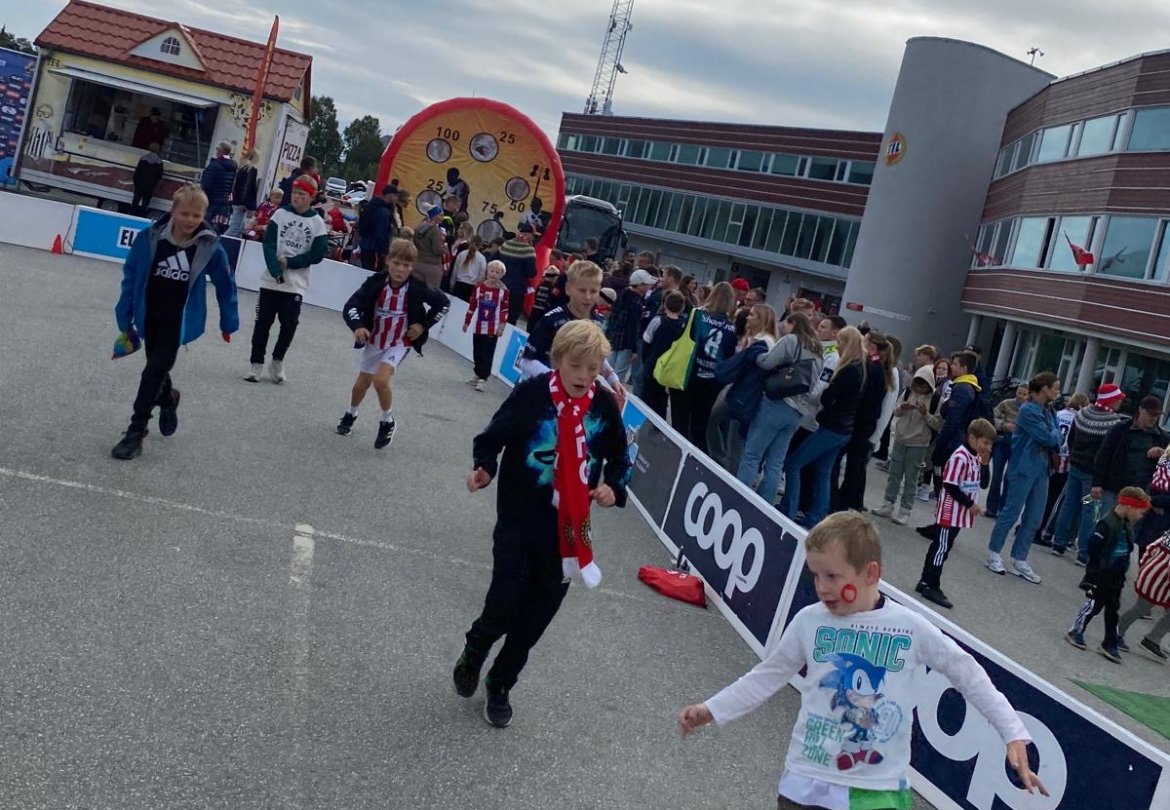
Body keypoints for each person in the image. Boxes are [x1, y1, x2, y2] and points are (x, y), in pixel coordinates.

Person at [678, 512, 1046, 809]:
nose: (822, 587)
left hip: (878, 789)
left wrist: (1012, 731)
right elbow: (768, 675)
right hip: (805, 782)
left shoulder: (909, 627)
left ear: (870, 573)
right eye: (816, 575)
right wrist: (712, 709)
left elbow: (966, 672)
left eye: (832, 576)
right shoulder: (809, 621)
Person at [454, 321, 631, 728]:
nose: (583, 376)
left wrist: (613, 486)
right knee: (503, 601)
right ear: (557, 361)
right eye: (575, 366)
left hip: (568, 529)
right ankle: (477, 646)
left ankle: (500, 683)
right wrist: (484, 468)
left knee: (537, 614)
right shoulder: (532, 394)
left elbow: (621, 459)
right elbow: (492, 437)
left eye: (592, 368)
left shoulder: (604, 406)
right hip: (519, 517)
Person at [110, 185, 239, 460]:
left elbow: (225, 284)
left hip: (176, 323)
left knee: (153, 370)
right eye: (185, 214)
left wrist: (229, 321)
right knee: (156, 369)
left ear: (204, 215)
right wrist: (125, 313)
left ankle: (136, 430)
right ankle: (168, 398)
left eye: (197, 215)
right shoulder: (150, 238)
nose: (191, 220)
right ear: (173, 211)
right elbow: (131, 275)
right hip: (149, 316)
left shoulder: (210, 247)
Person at [336, 238, 449, 447]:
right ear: (388, 261)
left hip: (400, 341)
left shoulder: (418, 287)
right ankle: (351, 413)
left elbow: (443, 304)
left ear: (412, 267)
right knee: (362, 383)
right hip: (375, 339)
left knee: (381, 380)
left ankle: (387, 421)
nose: (400, 269)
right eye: (396, 263)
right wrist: (358, 326)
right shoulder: (375, 282)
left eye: (406, 265)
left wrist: (423, 325)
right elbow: (351, 306)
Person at [779, 327, 866, 528]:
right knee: (823, 472)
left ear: (847, 344)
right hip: (844, 429)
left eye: (840, 342)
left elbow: (826, 396)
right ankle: (816, 517)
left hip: (831, 427)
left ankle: (789, 509)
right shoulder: (861, 369)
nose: (837, 345)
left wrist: (828, 393)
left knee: (794, 463)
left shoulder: (847, 370)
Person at [247, 174, 327, 383]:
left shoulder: (317, 222)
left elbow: (317, 254)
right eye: (294, 193)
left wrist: (291, 262)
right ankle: (256, 363)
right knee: (262, 323)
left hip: (295, 285)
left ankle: (277, 360)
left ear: (311, 197)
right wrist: (275, 269)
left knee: (289, 324)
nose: (296, 197)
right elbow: (269, 244)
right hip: (271, 282)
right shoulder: (280, 214)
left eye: (302, 194)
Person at [732, 311, 821, 500]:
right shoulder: (817, 349)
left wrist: (756, 355)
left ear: (793, 324)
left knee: (752, 455)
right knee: (775, 462)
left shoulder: (791, 340)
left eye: (786, 324)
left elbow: (767, 362)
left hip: (776, 403)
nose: (783, 327)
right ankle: (765, 502)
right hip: (797, 411)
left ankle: (739, 497)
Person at [985, 373, 1064, 583]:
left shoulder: (1049, 410)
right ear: (1044, 388)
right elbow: (1048, 437)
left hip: (1042, 468)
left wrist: (1054, 435)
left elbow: (1057, 437)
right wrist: (1054, 434)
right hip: (1023, 466)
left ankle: (1019, 558)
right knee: (1011, 512)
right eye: (1055, 388)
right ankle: (994, 552)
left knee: (1035, 516)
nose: (1058, 392)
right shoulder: (1028, 410)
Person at [519, 260, 627, 408]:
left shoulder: (599, 322)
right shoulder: (551, 320)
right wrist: (557, 381)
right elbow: (526, 360)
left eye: (593, 291)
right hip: (538, 394)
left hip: (572, 399)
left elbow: (597, 356)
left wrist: (613, 379)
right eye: (582, 290)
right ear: (568, 289)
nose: (588, 297)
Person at [1065, 487, 1152, 663]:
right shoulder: (1107, 523)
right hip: (1101, 573)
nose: (1140, 516)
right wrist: (1093, 574)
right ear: (1130, 507)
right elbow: (1094, 546)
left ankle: (1110, 642)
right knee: (1094, 605)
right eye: (1140, 512)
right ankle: (1076, 630)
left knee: (1113, 610)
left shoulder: (1125, 524)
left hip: (1116, 575)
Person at [915, 419, 994, 608]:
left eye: (990, 444)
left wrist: (984, 464)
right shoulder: (960, 456)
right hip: (951, 511)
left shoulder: (976, 457)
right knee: (940, 548)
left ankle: (927, 581)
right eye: (985, 442)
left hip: (960, 514)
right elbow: (949, 485)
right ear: (972, 438)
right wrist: (970, 504)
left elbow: (983, 483)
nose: (988, 448)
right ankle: (930, 584)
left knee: (944, 547)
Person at [1052, 384, 1130, 561]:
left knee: (1070, 504)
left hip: (1076, 468)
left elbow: (1071, 439)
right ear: (1110, 400)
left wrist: (1075, 457)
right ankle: (1085, 552)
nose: (1120, 402)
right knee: (1091, 511)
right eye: (1118, 399)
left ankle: (1059, 542)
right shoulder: (1113, 423)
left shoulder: (1082, 413)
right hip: (1093, 477)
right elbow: (1108, 452)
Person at [710, 304, 779, 473]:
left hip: (746, 392)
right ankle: (723, 462)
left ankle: (727, 469)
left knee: (734, 436)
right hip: (738, 388)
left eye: (752, 315)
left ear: (762, 320)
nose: (748, 317)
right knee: (722, 425)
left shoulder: (764, 343)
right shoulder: (751, 338)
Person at [670, 282, 737, 452]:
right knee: (699, 424)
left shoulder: (697, 315)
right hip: (711, 380)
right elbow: (729, 355)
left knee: (680, 419)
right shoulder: (731, 327)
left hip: (689, 372)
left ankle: (676, 453)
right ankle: (694, 457)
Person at [836, 332, 897, 513]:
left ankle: (841, 502)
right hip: (865, 424)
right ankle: (847, 501)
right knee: (855, 466)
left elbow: (883, 406)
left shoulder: (875, 369)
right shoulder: (878, 368)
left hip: (861, 424)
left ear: (871, 346)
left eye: (864, 341)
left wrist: (877, 435)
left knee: (850, 465)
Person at [872, 364, 938, 524]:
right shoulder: (908, 392)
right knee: (894, 474)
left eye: (924, 385)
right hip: (901, 438)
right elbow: (896, 411)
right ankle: (888, 504)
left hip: (919, 443)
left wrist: (925, 414)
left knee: (911, 478)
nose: (920, 389)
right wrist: (902, 407)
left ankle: (905, 510)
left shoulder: (937, 399)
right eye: (918, 384)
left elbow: (938, 424)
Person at [1092, 395, 1170, 523]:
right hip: (1114, 488)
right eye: (1150, 414)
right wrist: (1097, 483)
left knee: (1129, 530)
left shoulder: (1162, 438)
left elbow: (1165, 472)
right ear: (1141, 409)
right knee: (1106, 524)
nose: (1153, 418)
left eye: (1156, 415)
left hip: (1140, 494)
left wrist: (1161, 455)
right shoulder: (1120, 429)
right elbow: (1103, 455)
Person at [1035, 392, 1089, 547]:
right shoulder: (1080, 419)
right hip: (1065, 463)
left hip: (1050, 457)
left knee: (1042, 496)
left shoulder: (1058, 414)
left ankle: (1032, 526)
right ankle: (1045, 530)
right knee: (1056, 500)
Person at [1117, 527, 1170, 663]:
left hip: (1152, 573)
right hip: (1159, 580)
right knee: (1140, 609)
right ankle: (1117, 631)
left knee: (1141, 608)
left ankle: (1152, 639)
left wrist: (1144, 566)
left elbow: (1152, 547)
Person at [462, 259, 509, 391]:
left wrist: (501, 326)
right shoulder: (479, 287)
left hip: (492, 328)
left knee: (487, 352)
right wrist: (467, 321)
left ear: (502, 275)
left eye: (497, 272)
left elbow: (505, 309)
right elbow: (472, 305)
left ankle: (483, 377)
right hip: (479, 326)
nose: (494, 274)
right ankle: (477, 373)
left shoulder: (503, 291)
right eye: (492, 271)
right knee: (477, 351)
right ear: (487, 271)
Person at [640, 291, 688, 418]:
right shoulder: (684, 325)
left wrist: (645, 360)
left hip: (652, 363)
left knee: (647, 398)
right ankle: (658, 425)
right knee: (662, 401)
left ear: (665, 304)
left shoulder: (658, 321)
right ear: (682, 307)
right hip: (669, 368)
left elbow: (646, 341)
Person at [605, 268, 655, 383]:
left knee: (608, 369)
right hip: (626, 342)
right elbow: (633, 327)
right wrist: (634, 349)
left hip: (613, 337)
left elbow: (613, 317)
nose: (649, 286)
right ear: (640, 285)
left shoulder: (622, 295)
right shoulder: (637, 303)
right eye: (647, 284)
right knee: (619, 374)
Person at [988, 385, 1029, 517]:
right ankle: (991, 508)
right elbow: (992, 417)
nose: (1020, 396)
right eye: (1019, 393)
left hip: (1017, 446)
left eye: (1024, 394)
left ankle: (1002, 508)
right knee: (996, 476)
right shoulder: (1005, 404)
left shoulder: (1029, 410)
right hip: (1001, 442)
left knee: (1009, 478)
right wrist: (1004, 425)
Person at [498, 223, 538, 325]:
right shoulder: (528, 250)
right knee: (511, 319)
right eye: (533, 235)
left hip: (500, 287)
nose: (533, 238)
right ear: (527, 234)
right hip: (516, 291)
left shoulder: (505, 245)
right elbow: (531, 272)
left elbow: (492, 261)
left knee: (497, 315)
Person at [200, 141, 237, 235]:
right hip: (223, 204)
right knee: (216, 229)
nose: (216, 151)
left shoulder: (215, 165)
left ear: (221, 151)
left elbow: (206, 184)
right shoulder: (233, 167)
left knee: (204, 226)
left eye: (217, 149)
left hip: (211, 201)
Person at [357, 184, 398, 271]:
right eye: (395, 196)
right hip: (375, 249)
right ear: (389, 195)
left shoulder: (372, 205)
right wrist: (385, 250)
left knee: (364, 271)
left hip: (365, 245)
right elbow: (381, 233)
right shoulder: (383, 211)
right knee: (373, 273)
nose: (396, 199)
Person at [226, 148, 259, 238]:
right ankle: (220, 241)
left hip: (236, 200)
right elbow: (247, 187)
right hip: (241, 202)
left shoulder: (242, 168)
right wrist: (243, 202)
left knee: (238, 227)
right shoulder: (252, 170)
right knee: (235, 226)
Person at [412, 205, 447, 287]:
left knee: (415, 288)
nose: (443, 217)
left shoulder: (419, 227)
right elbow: (437, 250)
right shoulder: (435, 230)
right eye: (440, 215)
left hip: (418, 261)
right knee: (431, 291)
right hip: (432, 265)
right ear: (434, 216)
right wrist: (445, 248)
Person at [449, 235, 487, 302]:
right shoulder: (482, 258)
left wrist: (451, 285)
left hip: (459, 284)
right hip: (472, 287)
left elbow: (455, 271)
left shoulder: (461, 254)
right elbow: (481, 276)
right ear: (481, 245)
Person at [131, 142, 164, 217]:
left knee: (135, 201)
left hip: (139, 184)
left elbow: (137, 171)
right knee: (145, 203)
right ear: (158, 150)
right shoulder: (159, 162)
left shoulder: (143, 159)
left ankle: (131, 215)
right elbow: (159, 175)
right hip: (150, 186)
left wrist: (136, 182)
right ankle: (141, 216)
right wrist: (154, 184)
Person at [528, 264, 560, 332]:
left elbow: (536, 297)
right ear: (554, 278)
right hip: (543, 313)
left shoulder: (540, 285)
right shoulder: (552, 289)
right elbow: (552, 300)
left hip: (535, 311)